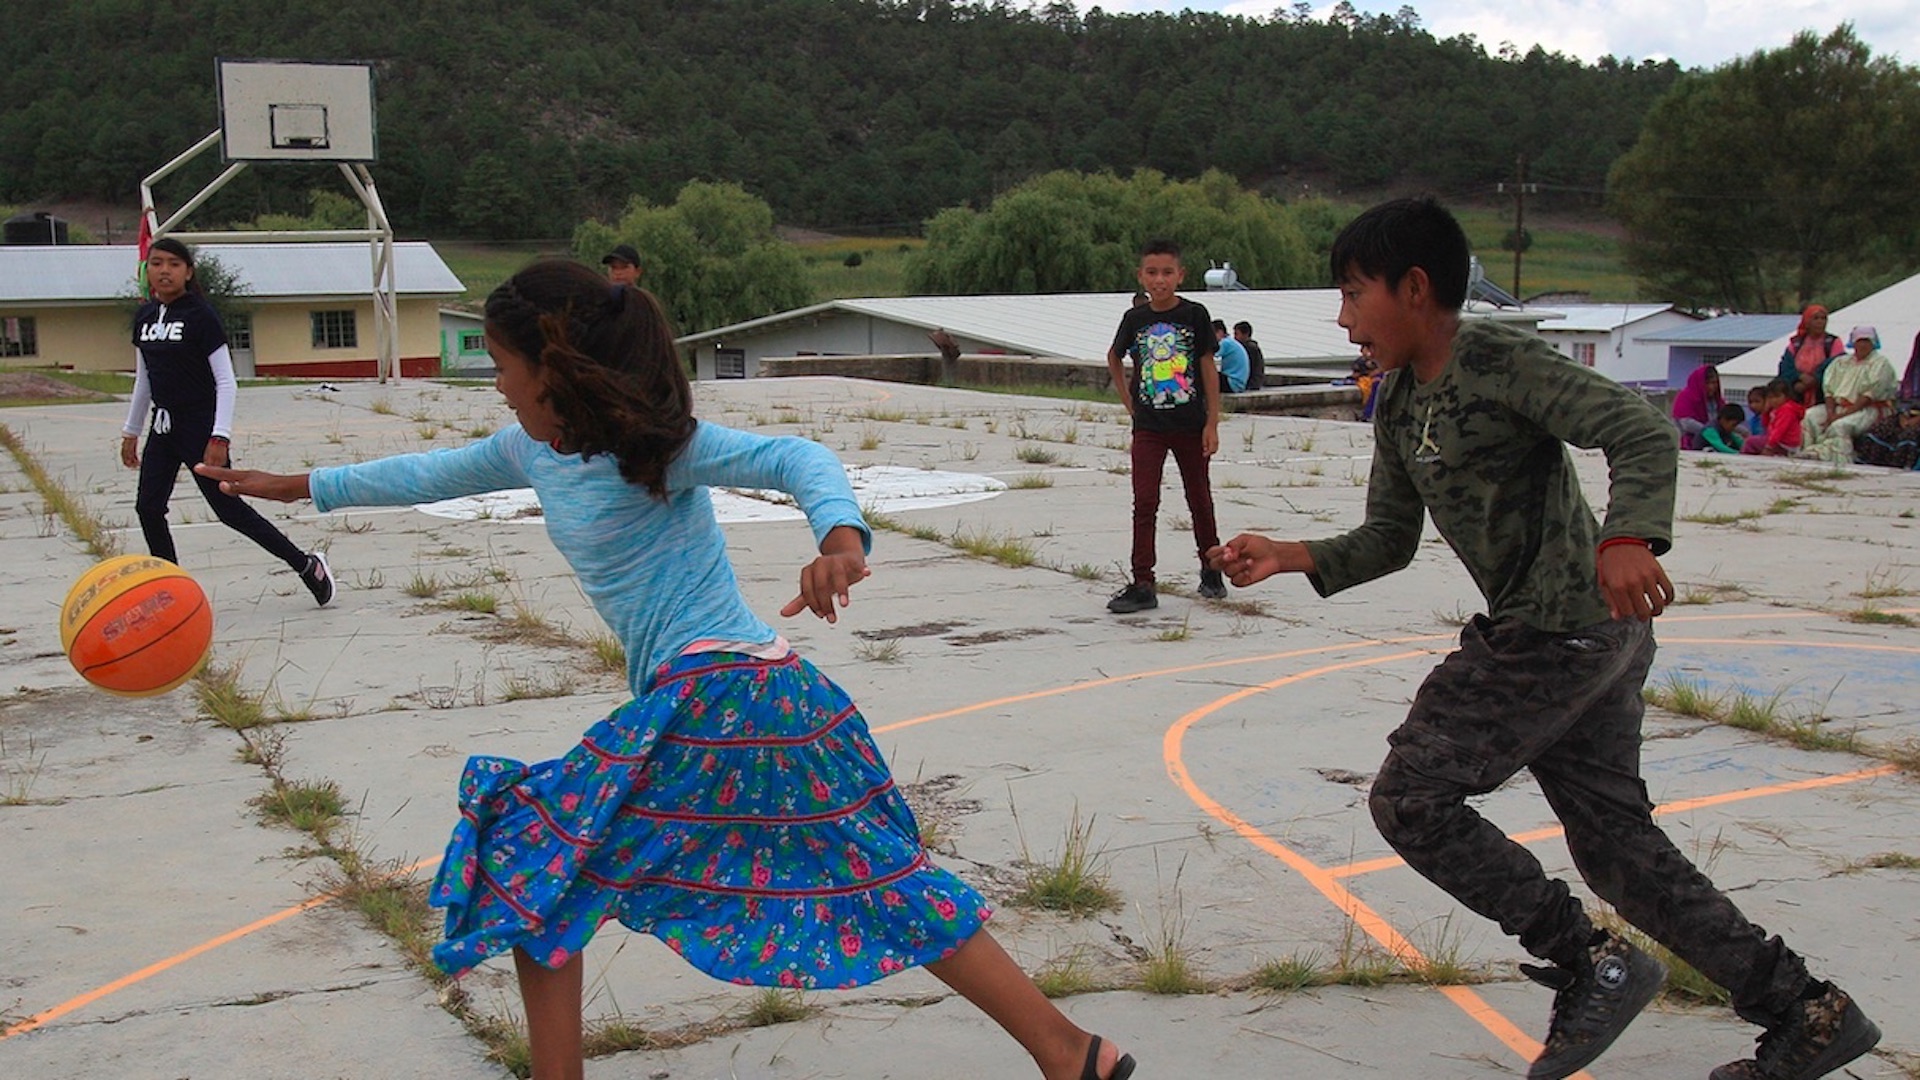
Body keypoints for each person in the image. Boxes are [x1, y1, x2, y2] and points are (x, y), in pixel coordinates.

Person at [198, 262, 1135, 1080]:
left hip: (725, 693)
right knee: (880, 877)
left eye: (503, 365)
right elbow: (428, 475)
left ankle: (1064, 1052)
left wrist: (840, 537)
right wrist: (301, 487)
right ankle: (1069, 1053)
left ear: (551, 368)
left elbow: (793, 454)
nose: (496, 385)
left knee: (533, 864)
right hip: (763, 699)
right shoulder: (531, 448)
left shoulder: (658, 448)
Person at [1208, 198, 1879, 1080]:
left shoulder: (1497, 358)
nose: (1343, 319)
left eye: (1351, 294)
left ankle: (1589, 962)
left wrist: (1627, 537)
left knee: (1412, 798)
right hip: (1580, 642)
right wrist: (1290, 553)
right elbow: (1388, 540)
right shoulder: (1403, 403)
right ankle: (1806, 1012)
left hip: (1558, 634)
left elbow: (1635, 428)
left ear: (1414, 289)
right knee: (1618, 854)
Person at [120, 236, 333, 606]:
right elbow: (144, 380)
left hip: (200, 428)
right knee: (148, 508)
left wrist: (220, 436)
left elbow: (225, 381)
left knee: (229, 510)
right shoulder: (143, 318)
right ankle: (171, 589)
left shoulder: (200, 315)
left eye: (173, 263)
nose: (164, 270)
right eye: (156, 263)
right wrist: (131, 431)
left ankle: (306, 565)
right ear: (147, 270)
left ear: (188, 271)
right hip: (163, 427)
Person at [1105, 239, 1226, 611]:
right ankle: (1143, 581)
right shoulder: (1135, 320)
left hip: (1190, 423)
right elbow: (1114, 356)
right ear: (1141, 276)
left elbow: (1207, 366)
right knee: (1145, 501)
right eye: (1152, 273)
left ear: (1180, 275)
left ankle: (1211, 568)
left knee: (1199, 499)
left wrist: (1212, 422)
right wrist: (1129, 403)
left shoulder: (1194, 315)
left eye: (1167, 273)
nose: (1160, 280)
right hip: (1149, 427)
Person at [1800, 325, 1898, 464]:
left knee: (1840, 426)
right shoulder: (1841, 362)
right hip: (1839, 407)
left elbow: (1868, 396)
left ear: (1873, 343)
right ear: (1853, 342)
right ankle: (1808, 452)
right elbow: (1829, 391)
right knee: (1810, 416)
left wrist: (1838, 417)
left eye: (1866, 341)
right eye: (1859, 341)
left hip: (1868, 409)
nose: (1863, 345)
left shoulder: (1880, 364)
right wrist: (1830, 413)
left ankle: (1838, 460)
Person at [1776, 304, 1843, 407]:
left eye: (1823, 318)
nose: (1820, 322)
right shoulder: (1796, 343)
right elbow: (1785, 367)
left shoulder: (1834, 342)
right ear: (1807, 322)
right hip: (1796, 393)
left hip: (1823, 396)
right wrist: (1799, 378)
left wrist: (1815, 379)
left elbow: (1836, 365)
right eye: (1815, 318)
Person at [1741, 379, 1806, 457]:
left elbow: (1779, 430)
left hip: (1784, 444)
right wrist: (1766, 411)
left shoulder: (1787, 410)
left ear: (1786, 396)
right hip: (1779, 442)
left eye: (1777, 396)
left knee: (1750, 442)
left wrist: (1769, 446)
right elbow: (1765, 425)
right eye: (1770, 397)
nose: (1774, 400)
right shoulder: (1777, 409)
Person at [1669, 363, 1723, 450]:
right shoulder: (1685, 397)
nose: (1712, 387)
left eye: (1714, 383)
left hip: (1712, 441)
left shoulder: (1717, 401)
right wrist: (1710, 432)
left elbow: (1725, 418)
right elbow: (1687, 424)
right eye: (1708, 383)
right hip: (1687, 444)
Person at [1852, 406, 1920, 470]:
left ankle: (1906, 466)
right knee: (1880, 430)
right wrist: (1904, 418)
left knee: (1911, 434)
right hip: (1904, 416)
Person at [1213, 318, 1250, 394]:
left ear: (1220, 332)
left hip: (1232, 382)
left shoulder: (1225, 343)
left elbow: (1209, 356)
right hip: (1239, 384)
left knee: (1207, 374)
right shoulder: (1231, 342)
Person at [1233, 321, 1265, 391]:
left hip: (1252, 384)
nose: (1234, 338)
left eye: (1236, 334)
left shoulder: (1250, 348)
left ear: (1245, 334)